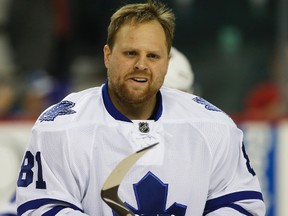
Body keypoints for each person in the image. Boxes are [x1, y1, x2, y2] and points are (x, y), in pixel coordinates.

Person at [16, 0, 265, 215]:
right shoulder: (60, 126)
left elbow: (241, 204)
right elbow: (42, 208)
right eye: (130, 53)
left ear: (167, 62)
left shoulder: (214, 126)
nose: (141, 65)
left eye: (153, 56)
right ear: (107, 55)